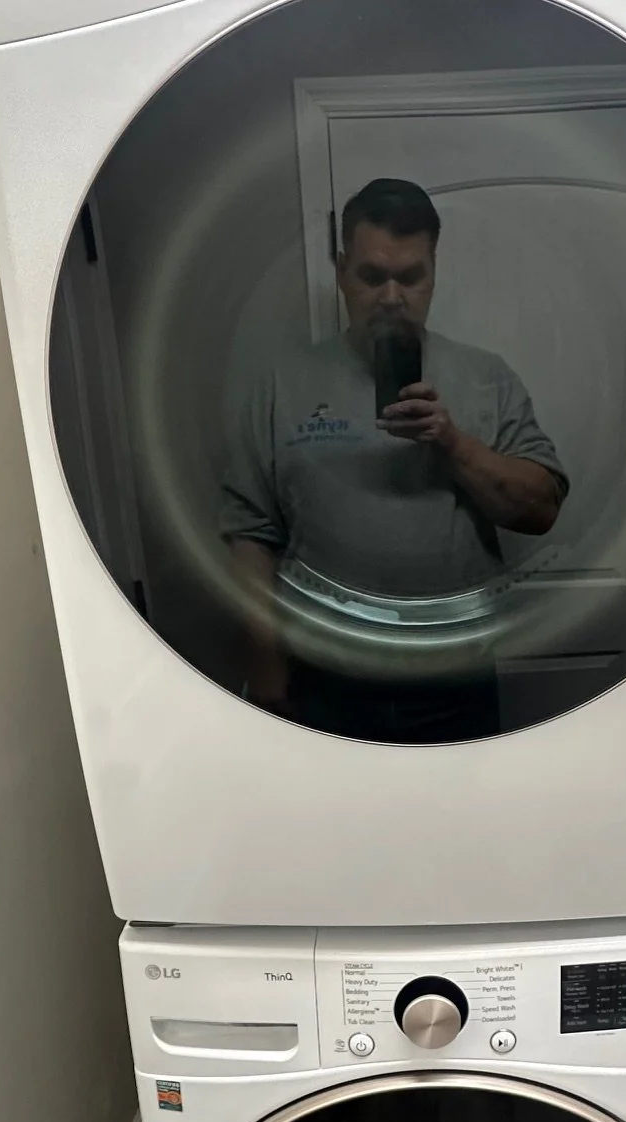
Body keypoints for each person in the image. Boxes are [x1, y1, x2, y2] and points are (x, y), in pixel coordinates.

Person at [221, 178, 567, 742]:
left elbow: (541, 509)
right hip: (323, 676)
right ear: (340, 271)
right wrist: (264, 663)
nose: (390, 297)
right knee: (334, 829)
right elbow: (249, 534)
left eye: (410, 277)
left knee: (460, 829)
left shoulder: (486, 379)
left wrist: (453, 443)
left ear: (434, 272)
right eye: (371, 276)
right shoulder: (281, 384)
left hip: (457, 674)